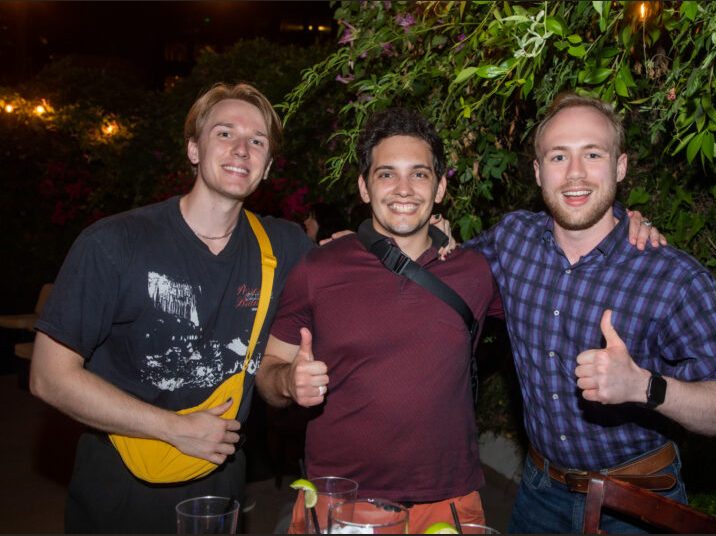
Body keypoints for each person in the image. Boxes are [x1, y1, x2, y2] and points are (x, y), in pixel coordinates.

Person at [29, 83, 314, 533]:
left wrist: (436, 242)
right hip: (121, 484)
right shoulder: (114, 243)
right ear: (194, 150)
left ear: (268, 166)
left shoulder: (285, 246)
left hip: (220, 481)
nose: (242, 149)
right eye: (224, 133)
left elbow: (355, 267)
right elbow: (48, 375)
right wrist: (172, 428)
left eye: (257, 141)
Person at [465, 93, 716, 533]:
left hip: (635, 502)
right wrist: (366, 241)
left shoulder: (672, 277)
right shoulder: (512, 240)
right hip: (539, 492)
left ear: (620, 166)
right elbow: (441, 268)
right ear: (538, 171)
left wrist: (645, 386)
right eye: (559, 156)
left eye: (593, 154)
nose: (576, 174)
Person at [257, 108, 505, 533]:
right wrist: (287, 382)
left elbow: (552, 283)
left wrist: (628, 224)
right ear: (364, 187)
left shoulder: (476, 272)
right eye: (386, 174)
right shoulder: (319, 269)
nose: (403, 189)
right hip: (343, 501)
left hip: (447, 502)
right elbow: (267, 374)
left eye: (420, 174)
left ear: (441, 187)